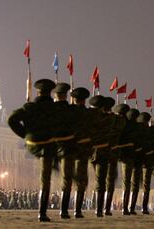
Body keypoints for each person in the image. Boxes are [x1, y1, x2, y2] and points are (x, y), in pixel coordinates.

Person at [7, 79, 58, 222]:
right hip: (48, 145)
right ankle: (42, 213)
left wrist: (25, 134)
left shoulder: (30, 107)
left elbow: (11, 119)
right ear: (50, 92)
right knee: (45, 179)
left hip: (32, 143)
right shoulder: (55, 109)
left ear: (38, 91)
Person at [52, 82, 79, 219]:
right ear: (66, 95)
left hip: (52, 145)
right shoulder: (72, 110)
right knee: (67, 179)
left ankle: (42, 212)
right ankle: (64, 210)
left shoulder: (50, 109)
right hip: (68, 146)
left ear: (55, 95)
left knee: (44, 180)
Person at [70, 87, 92, 218]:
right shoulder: (89, 114)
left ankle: (64, 210)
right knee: (82, 180)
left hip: (69, 148)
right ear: (84, 100)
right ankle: (77, 210)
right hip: (83, 149)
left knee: (66, 178)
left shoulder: (69, 112)